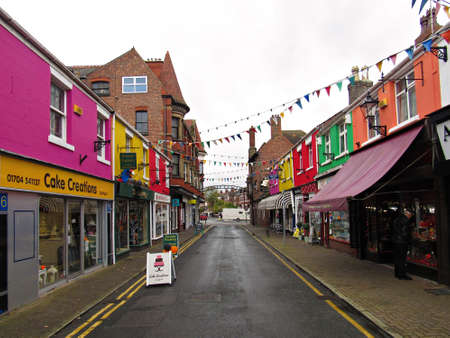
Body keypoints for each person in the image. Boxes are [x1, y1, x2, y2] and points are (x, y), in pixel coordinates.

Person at [392, 208, 414, 280]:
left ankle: (397, 273)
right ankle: (402, 275)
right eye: (410, 215)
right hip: (402, 242)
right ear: (407, 214)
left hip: (396, 241)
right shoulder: (405, 220)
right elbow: (405, 232)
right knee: (402, 258)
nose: (410, 216)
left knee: (397, 258)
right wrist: (409, 239)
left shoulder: (397, 219)